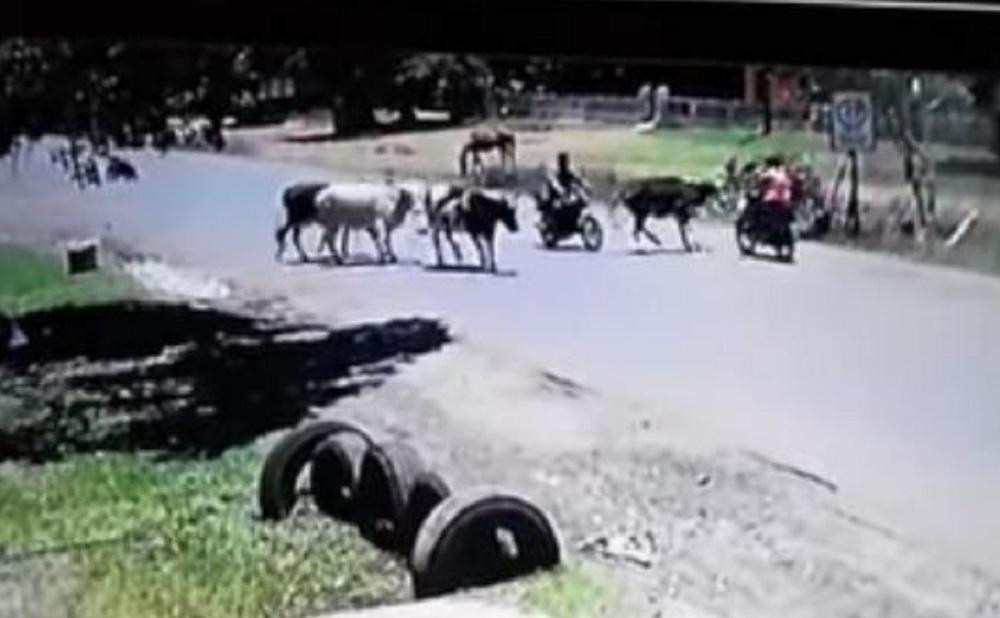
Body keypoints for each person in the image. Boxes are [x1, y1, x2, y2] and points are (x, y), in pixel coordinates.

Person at [546, 152, 591, 219]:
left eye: (565, 162)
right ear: (559, 163)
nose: (564, 164)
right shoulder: (556, 176)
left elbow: (579, 181)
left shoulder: (570, 174)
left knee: (581, 204)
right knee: (554, 207)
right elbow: (554, 185)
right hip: (560, 200)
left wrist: (584, 184)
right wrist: (559, 190)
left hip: (570, 199)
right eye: (562, 162)